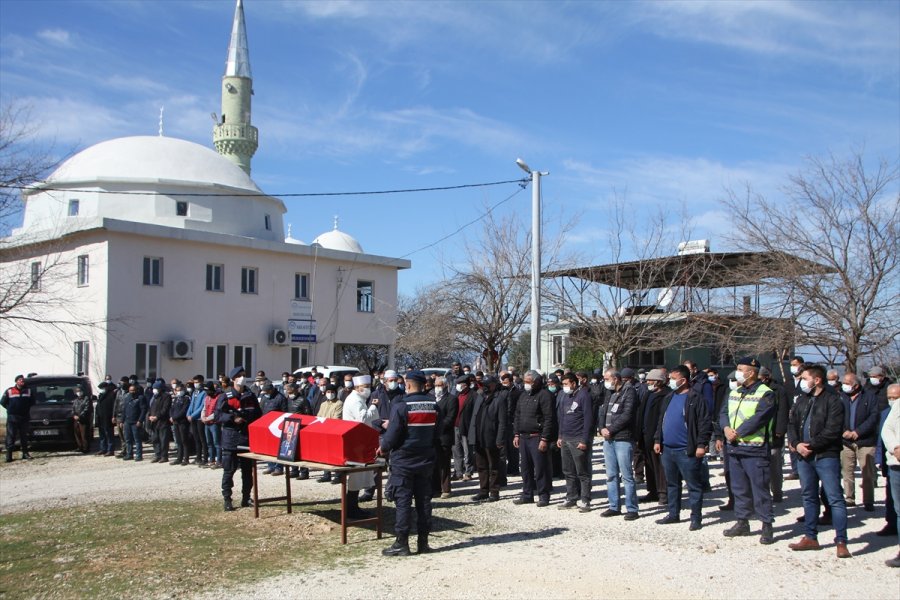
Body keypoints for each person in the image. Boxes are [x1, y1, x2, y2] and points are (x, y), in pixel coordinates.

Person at [787, 364, 851, 558]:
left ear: (817, 380)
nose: (801, 382)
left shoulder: (833, 401)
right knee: (809, 496)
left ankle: (841, 541)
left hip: (826, 456)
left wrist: (810, 445)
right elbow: (792, 423)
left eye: (805, 378)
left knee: (835, 498)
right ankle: (810, 537)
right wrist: (796, 444)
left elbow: (833, 430)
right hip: (804, 457)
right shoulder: (802, 400)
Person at [378, 370, 439, 556]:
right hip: (426, 460)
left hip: (403, 462)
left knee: (403, 502)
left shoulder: (402, 406)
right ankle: (423, 543)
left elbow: (392, 435)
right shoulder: (434, 405)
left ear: (409, 384)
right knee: (424, 502)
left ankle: (402, 543)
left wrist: (383, 447)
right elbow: (439, 432)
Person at [720, 357, 776, 544]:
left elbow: (760, 418)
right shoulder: (734, 392)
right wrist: (726, 429)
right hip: (734, 448)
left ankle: (766, 525)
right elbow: (723, 413)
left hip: (755, 449)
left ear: (751, 372)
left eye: (740, 369)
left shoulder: (766, 393)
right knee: (739, 488)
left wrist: (738, 433)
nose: (737, 373)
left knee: (760, 489)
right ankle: (742, 522)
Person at [654, 366, 712, 531]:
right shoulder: (669, 396)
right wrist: (658, 439)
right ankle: (673, 514)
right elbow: (661, 420)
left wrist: (701, 444)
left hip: (687, 450)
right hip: (668, 449)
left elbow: (704, 423)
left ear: (684, 380)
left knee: (693, 486)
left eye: (673, 378)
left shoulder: (695, 398)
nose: (670, 381)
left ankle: (696, 518)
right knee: (672, 484)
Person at [216, 367, 262, 512]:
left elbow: (258, 414)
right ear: (233, 379)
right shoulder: (226, 396)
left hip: (246, 438)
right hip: (231, 439)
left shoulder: (250, 395)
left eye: (244, 375)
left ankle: (246, 497)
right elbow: (217, 415)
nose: (242, 378)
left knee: (248, 472)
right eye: (239, 376)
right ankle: (227, 499)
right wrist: (232, 418)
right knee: (229, 471)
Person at [598, 368, 639, 520]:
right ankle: (614, 506)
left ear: (616, 379)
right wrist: (601, 428)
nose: (605, 382)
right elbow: (602, 412)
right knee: (611, 475)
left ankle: (632, 509)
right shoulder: (609, 393)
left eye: (607, 379)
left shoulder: (629, 392)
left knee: (627, 475)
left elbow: (627, 415)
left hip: (623, 438)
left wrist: (611, 429)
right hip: (608, 439)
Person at [513, 370, 555, 507]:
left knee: (541, 468)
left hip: (537, 437)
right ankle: (527, 494)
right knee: (525, 468)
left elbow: (549, 418)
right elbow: (517, 415)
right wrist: (516, 434)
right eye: (525, 381)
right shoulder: (523, 395)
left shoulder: (544, 395)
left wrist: (545, 438)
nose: (526, 384)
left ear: (536, 382)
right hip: (523, 437)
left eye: (529, 382)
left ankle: (543, 495)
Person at [839, 372, 879, 511]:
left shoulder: (869, 396)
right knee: (847, 471)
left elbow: (874, 417)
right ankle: (849, 498)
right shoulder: (841, 397)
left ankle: (868, 500)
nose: (844, 385)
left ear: (856, 385)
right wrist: (843, 431)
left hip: (866, 441)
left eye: (847, 383)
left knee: (867, 473)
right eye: (843, 383)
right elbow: (836, 415)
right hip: (846, 441)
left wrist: (858, 432)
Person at [342, 374, 380, 517]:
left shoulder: (359, 398)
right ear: (357, 387)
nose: (368, 389)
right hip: (355, 441)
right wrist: (374, 407)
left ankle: (352, 506)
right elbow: (363, 418)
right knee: (356, 476)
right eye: (365, 387)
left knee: (358, 475)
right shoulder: (354, 400)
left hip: (360, 440)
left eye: (369, 387)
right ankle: (351, 508)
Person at [465, 376, 507, 503]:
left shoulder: (499, 399)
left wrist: (499, 439)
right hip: (479, 437)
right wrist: (472, 436)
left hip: (491, 437)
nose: (485, 387)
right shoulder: (480, 397)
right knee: (481, 465)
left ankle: (494, 492)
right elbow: (474, 416)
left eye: (487, 385)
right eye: (484, 385)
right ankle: (483, 491)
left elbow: (502, 422)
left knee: (493, 466)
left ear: (493, 385)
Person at [556, 372, 593, 512]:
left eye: (566, 384)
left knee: (582, 472)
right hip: (566, 438)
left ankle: (585, 500)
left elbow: (588, 419)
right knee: (568, 471)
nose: (564, 387)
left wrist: (584, 440)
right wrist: (560, 436)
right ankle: (571, 497)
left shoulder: (584, 395)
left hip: (578, 439)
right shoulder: (565, 396)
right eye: (563, 384)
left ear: (573, 383)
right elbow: (562, 418)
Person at [637, 369, 669, 506]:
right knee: (649, 465)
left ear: (659, 381)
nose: (648, 382)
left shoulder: (666, 395)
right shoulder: (648, 394)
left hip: (657, 437)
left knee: (660, 466)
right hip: (645, 436)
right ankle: (653, 490)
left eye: (651, 380)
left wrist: (658, 438)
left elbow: (662, 419)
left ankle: (663, 492)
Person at [879, 384, 900, 567]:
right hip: (896, 463)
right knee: (899, 509)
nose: (892, 400)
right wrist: (895, 448)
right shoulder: (895, 409)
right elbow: (886, 430)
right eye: (890, 397)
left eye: (895, 397)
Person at [432, 376, 458, 499]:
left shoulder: (452, 399)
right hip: (432, 437)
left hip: (444, 436)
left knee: (444, 464)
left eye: (440, 385)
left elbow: (450, 418)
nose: (437, 387)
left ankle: (446, 489)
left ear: (445, 386)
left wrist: (437, 426)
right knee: (434, 464)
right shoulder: (432, 398)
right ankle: (436, 488)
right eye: (436, 385)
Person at [315, 383, 343, 484]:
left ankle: (338, 475)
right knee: (325, 453)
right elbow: (318, 417)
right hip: (323, 431)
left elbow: (336, 418)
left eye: (332, 392)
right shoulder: (323, 404)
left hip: (334, 432)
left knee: (335, 454)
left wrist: (325, 422)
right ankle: (326, 474)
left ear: (335, 393)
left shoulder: (339, 403)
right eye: (328, 392)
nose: (330, 394)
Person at [1, 374, 34, 462]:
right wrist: (10, 409)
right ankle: (9, 456)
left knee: (24, 436)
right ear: (16, 381)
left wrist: (24, 409)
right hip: (13, 417)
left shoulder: (28, 391)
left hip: (24, 417)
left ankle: (25, 454)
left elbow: (32, 402)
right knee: (11, 436)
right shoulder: (9, 391)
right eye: (20, 380)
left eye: (23, 380)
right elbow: (3, 402)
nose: (22, 381)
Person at [451, 374, 477, 481]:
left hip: (466, 427)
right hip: (455, 426)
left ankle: (468, 472)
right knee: (456, 450)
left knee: (467, 451)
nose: (457, 386)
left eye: (459, 384)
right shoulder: (457, 395)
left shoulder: (474, 395)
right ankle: (458, 472)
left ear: (465, 385)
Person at [284, 383, 312, 480]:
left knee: (302, 450)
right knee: (292, 449)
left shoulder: (303, 400)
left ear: (296, 389)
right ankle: (294, 470)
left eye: (290, 389)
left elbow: (308, 414)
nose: (288, 391)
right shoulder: (288, 399)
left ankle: (304, 472)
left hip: (301, 427)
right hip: (290, 427)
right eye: (287, 390)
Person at [259, 383, 287, 476]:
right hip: (266, 424)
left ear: (271, 390)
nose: (265, 394)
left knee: (278, 447)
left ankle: (278, 467)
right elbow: (261, 408)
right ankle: (270, 466)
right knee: (268, 446)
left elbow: (284, 412)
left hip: (276, 426)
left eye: (266, 392)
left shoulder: (280, 398)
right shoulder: (264, 397)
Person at [122, 384, 148, 461]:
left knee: (137, 439)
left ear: (136, 390)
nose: (132, 392)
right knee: (128, 439)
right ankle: (129, 454)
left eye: (133, 390)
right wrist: (122, 420)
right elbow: (124, 409)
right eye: (130, 390)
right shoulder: (127, 397)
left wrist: (140, 420)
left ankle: (139, 455)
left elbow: (143, 410)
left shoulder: (140, 398)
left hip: (136, 422)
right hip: (127, 421)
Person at [148, 381, 172, 463]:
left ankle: (164, 456)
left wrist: (157, 417)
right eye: (153, 388)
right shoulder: (154, 397)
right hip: (154, 422)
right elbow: (150, 408)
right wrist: (150, 416)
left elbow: (165, 409)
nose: (154, 390)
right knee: (155, 439)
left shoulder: (166, 396)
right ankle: (157, 455)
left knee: (163, 440)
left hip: (163, 421)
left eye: (156, 388)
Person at [188, 376, 209, 467]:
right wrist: (188, 414)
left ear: (201, 382)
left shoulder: (204, 393)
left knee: (202, 439)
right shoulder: (194, 392)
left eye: (197, 382)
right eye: (195, 382)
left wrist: (193, 415)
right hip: (193, 418)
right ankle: (198, 457)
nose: (196, 384)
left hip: (199, 418)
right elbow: (191, 404)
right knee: (196, 439)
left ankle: (205, 458)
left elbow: (201, 407)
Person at [169, 382, 191, 466]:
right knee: (178, 441)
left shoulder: (186, 399)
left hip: (182, 422)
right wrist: (171, 416)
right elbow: (172, 409)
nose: (178, 392)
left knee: (184, 440)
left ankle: (186, 459)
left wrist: (175, 417)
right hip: (175, 422)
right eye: (177, 390)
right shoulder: (176, 399)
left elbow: (184, 410)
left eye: (180, 390)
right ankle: (179, 458)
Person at [95, 379, 117, 456]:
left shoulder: (111, 395)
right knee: (102, 435)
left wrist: (113, 416)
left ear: (106, 388)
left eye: (102, 388)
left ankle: (110, 450)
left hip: (108, 418)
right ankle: (103, 449)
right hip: (101, 418)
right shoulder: (100, 396)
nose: (101, 390)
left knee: (109, 435)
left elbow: (114, 407)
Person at [72, 384, 93, 454]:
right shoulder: (75, 400)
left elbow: (86, 409)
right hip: (76, 419)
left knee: (84, 434)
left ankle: (85, 448)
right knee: (77, 434)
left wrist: (80, 416)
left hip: (83, 419)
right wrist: (74, 415)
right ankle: (80, 447)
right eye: (77, 391)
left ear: (82, 391)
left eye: (79, 391)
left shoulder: (86, 399)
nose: (78, 392)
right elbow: (73, 409)